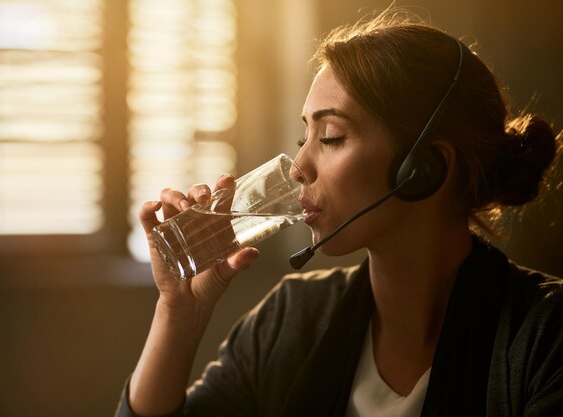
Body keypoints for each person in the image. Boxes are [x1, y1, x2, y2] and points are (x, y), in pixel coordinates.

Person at [115, 10, 563, 417]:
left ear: (423, 170)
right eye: (302, 138)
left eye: (330, 136)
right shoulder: (292, 317)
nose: (298, 168)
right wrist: (179, 313)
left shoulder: (546, 335)